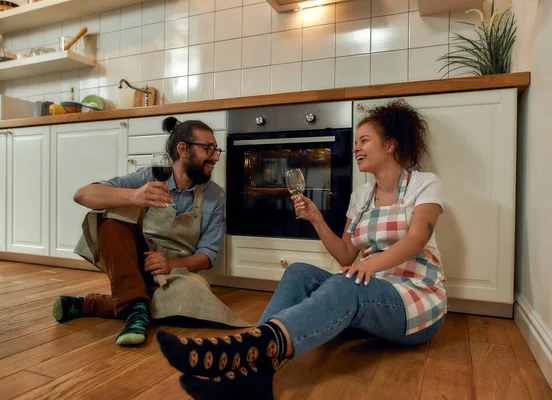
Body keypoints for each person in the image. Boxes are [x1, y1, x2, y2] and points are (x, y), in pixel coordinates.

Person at [155, 100, 447, 400]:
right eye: (356, 141)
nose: (357, 147)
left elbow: (416, 239)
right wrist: (315, 218)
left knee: (347, 283)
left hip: (414, 302)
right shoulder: (361, 195)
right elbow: (346, 254)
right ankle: (256, 374)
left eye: (364, 140)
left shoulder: (423, 184)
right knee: (298, 272)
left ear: (390, 145)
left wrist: (369, 267)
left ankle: (242, 348)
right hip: (367, 292)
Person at [51, 117, 240, 347]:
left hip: (177, 272)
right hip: (133, 261)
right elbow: (83, 194)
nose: (216, 157)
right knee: (109, 215)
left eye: (215, 149)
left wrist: (169, 265)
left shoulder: (216, 196)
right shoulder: (148, 178)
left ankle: (102, 304)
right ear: (183, 149)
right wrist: (134, 196)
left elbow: (208, 255)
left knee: (194, 296)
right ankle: (137, 303)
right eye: (208, 149)